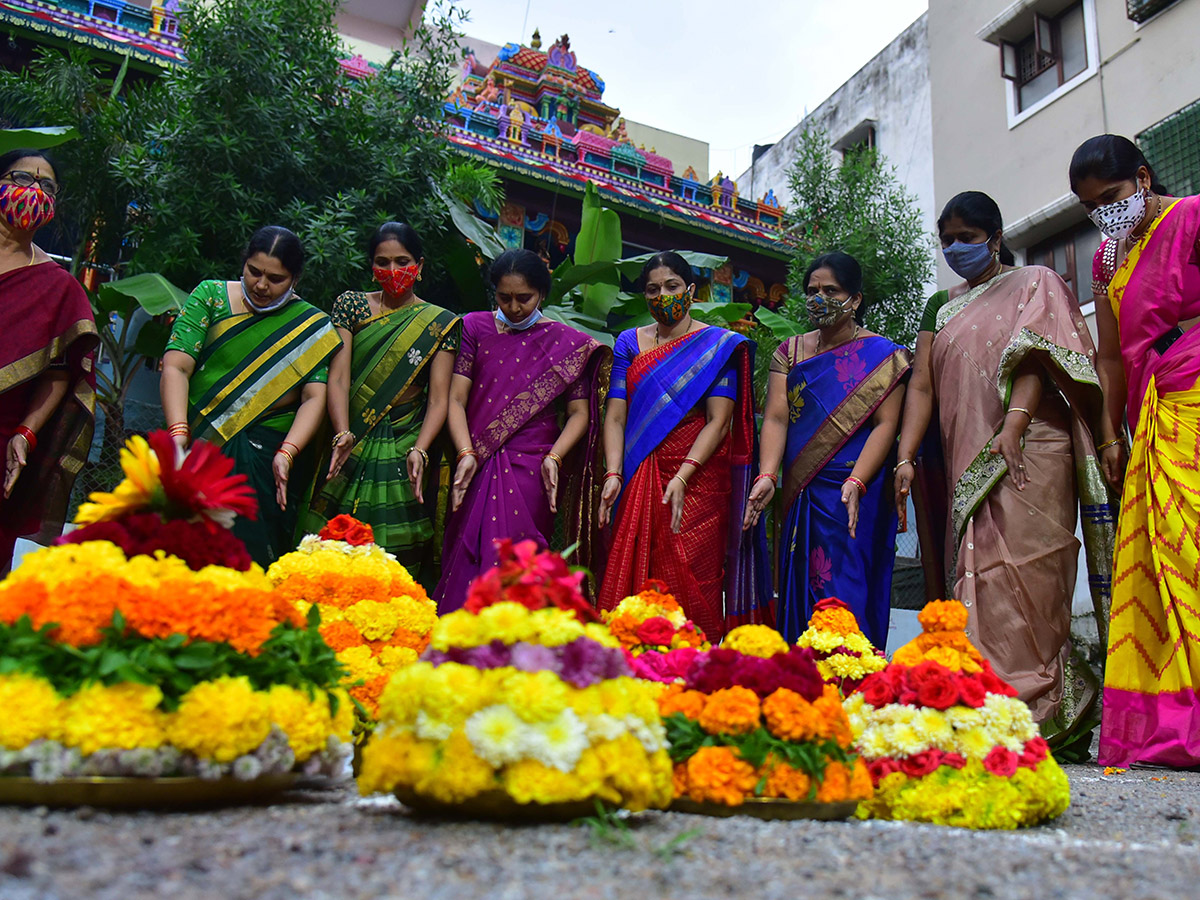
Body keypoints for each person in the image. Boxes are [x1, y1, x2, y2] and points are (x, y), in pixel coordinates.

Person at [893, 191, 1115, 740]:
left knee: (1032, 572)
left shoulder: (1035, 282)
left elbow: (1037, 356)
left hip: (1032, 446)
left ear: (994, 237)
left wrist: (1013, 423)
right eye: (947, 240)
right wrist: (904, 455)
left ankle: (1042, 710)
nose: (955, 248)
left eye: (967, 238)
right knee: (978, 576)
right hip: (965, 453)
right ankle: (983, 704)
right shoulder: (940, 306)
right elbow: (921, 384)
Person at [1071, 134, 1200, 768]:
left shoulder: (1193, 217)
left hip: (1196, 392)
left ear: (1144, 179)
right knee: (1157, 557)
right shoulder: (1105, 260)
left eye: (1113, 197)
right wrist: (1108, 433)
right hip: (1148, 413)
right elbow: (1107, 354)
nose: (1105, 213)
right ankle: (1169, 722)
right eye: (1091, 206)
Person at [598, 252, 770, 642]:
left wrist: (682, 475)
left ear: (691, 290)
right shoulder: (630, 342)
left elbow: (719, 421)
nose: (663, 296)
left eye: (672, 286)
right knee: (636, 584)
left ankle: (692, 676)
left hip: (699, 481)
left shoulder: (718, 345)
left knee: (696, 580)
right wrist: (612, 472)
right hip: (639, 472)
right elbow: (616, 416)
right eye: (653, 289)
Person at [744, 252, 911, 647]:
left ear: (854, 299)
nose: (819, 298)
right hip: (802, 491)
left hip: (855, 491)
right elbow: (777, 419)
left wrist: (857, 480)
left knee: (848, 588)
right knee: (800, 588)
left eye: (830, 291)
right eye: (812, 290)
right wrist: (768, 474)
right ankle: (802, 689)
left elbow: (885, 425)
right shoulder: (791, 352)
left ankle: (849, 686)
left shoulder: (885, 357)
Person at [434, 248, 610, 612]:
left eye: (524, 298)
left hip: (534, 466)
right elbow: (456, 399)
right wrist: (466, 452)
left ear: (542, 295)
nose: (514, 307)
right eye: (504, 297)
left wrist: (555, 457)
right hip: (477, 459)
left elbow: (579, 413)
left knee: (521, 562)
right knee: (468, 556)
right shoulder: (474, 327)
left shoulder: (567, 343)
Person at [161, 225, 340, 566]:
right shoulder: (210, 296)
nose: (261, 285)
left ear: (295, 279)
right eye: (254, 272)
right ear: (243, 263)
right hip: (195, 444)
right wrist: (178, 434)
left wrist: (287, 454)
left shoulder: (311, 327)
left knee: (247, 564)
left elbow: (314, 398)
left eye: (276, 279)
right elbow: (176, 367)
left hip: (264, 456)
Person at [302, 223, 459, 582]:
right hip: (350, 435)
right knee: (332, 538)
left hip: (405, 440)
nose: (392, 272)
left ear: (419, 265)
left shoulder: (442, 323)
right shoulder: (352, 305)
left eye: (402, 261)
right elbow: (339, 378)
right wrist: (342, 431)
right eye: (382, 262)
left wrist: (420, 449)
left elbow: (438, 400)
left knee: (395, 549)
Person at [0, 149, 98, 574]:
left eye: (47, 186)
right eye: (23, 178)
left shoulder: (59, 286)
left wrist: (25, 433)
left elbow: (59, 375)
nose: (34, 191)